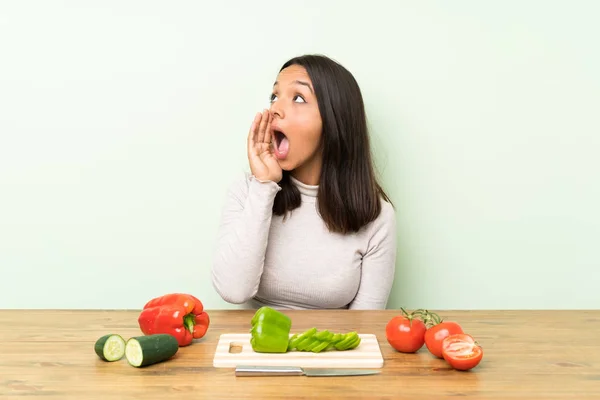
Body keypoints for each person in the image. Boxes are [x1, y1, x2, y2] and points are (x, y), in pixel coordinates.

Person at [211, 54, 397, 310]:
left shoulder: (377, 216)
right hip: (256, 346)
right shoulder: (246, 191)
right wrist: (265, 186)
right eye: (274, 96)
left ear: (334, 121)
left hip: (333, 348)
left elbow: (365, 327)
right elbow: (233, 290)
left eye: (298, 98)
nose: (274, 108)